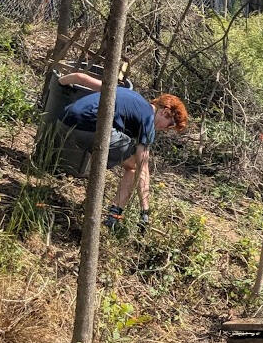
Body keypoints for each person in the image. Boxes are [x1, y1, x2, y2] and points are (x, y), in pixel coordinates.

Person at [57, 73, 189, 229]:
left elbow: (79, 77)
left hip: (63, 121)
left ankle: (90, 201)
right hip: (88, 130)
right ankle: (114, 216)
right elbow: (143, 166)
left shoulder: (127, 93)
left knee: (108, 145)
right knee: (133, 166)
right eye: (169, 125)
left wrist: (59, 82)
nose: (166, 129)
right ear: (164, 112)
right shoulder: (148, 120)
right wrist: (145, 209)